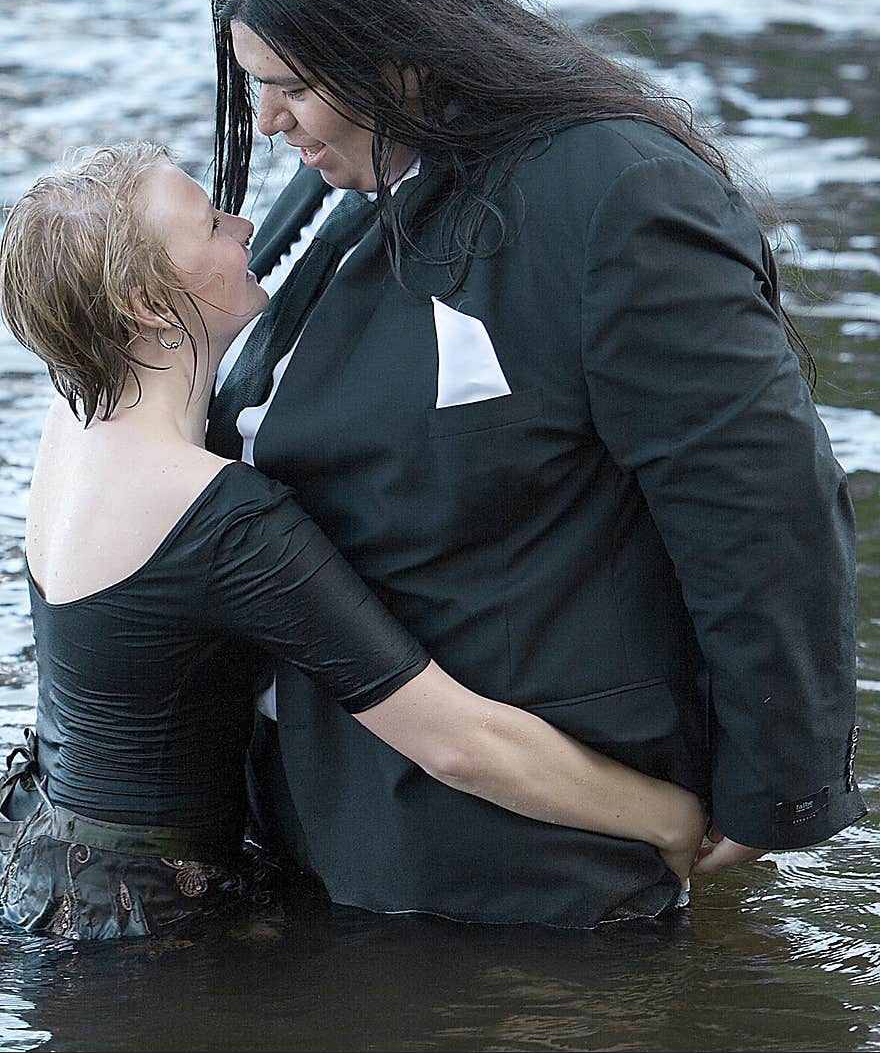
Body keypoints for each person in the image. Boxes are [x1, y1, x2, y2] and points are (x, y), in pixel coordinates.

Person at [205, 0, 867, 929]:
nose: (269, 119)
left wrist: (778, 787)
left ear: (401, 54)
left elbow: (761, 507)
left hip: (520, 862)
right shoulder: (349, 175)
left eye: (287, 82)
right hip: (324, 826)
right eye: (252, 85)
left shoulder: (611, 196)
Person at [0, 142, 708, 941]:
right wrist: (669, 815)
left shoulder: (78, 416)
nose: (244, 227)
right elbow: (456, 744)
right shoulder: (212, 512)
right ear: (149, 306)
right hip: (144, 923)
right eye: (210, 223)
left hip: (44, 849)